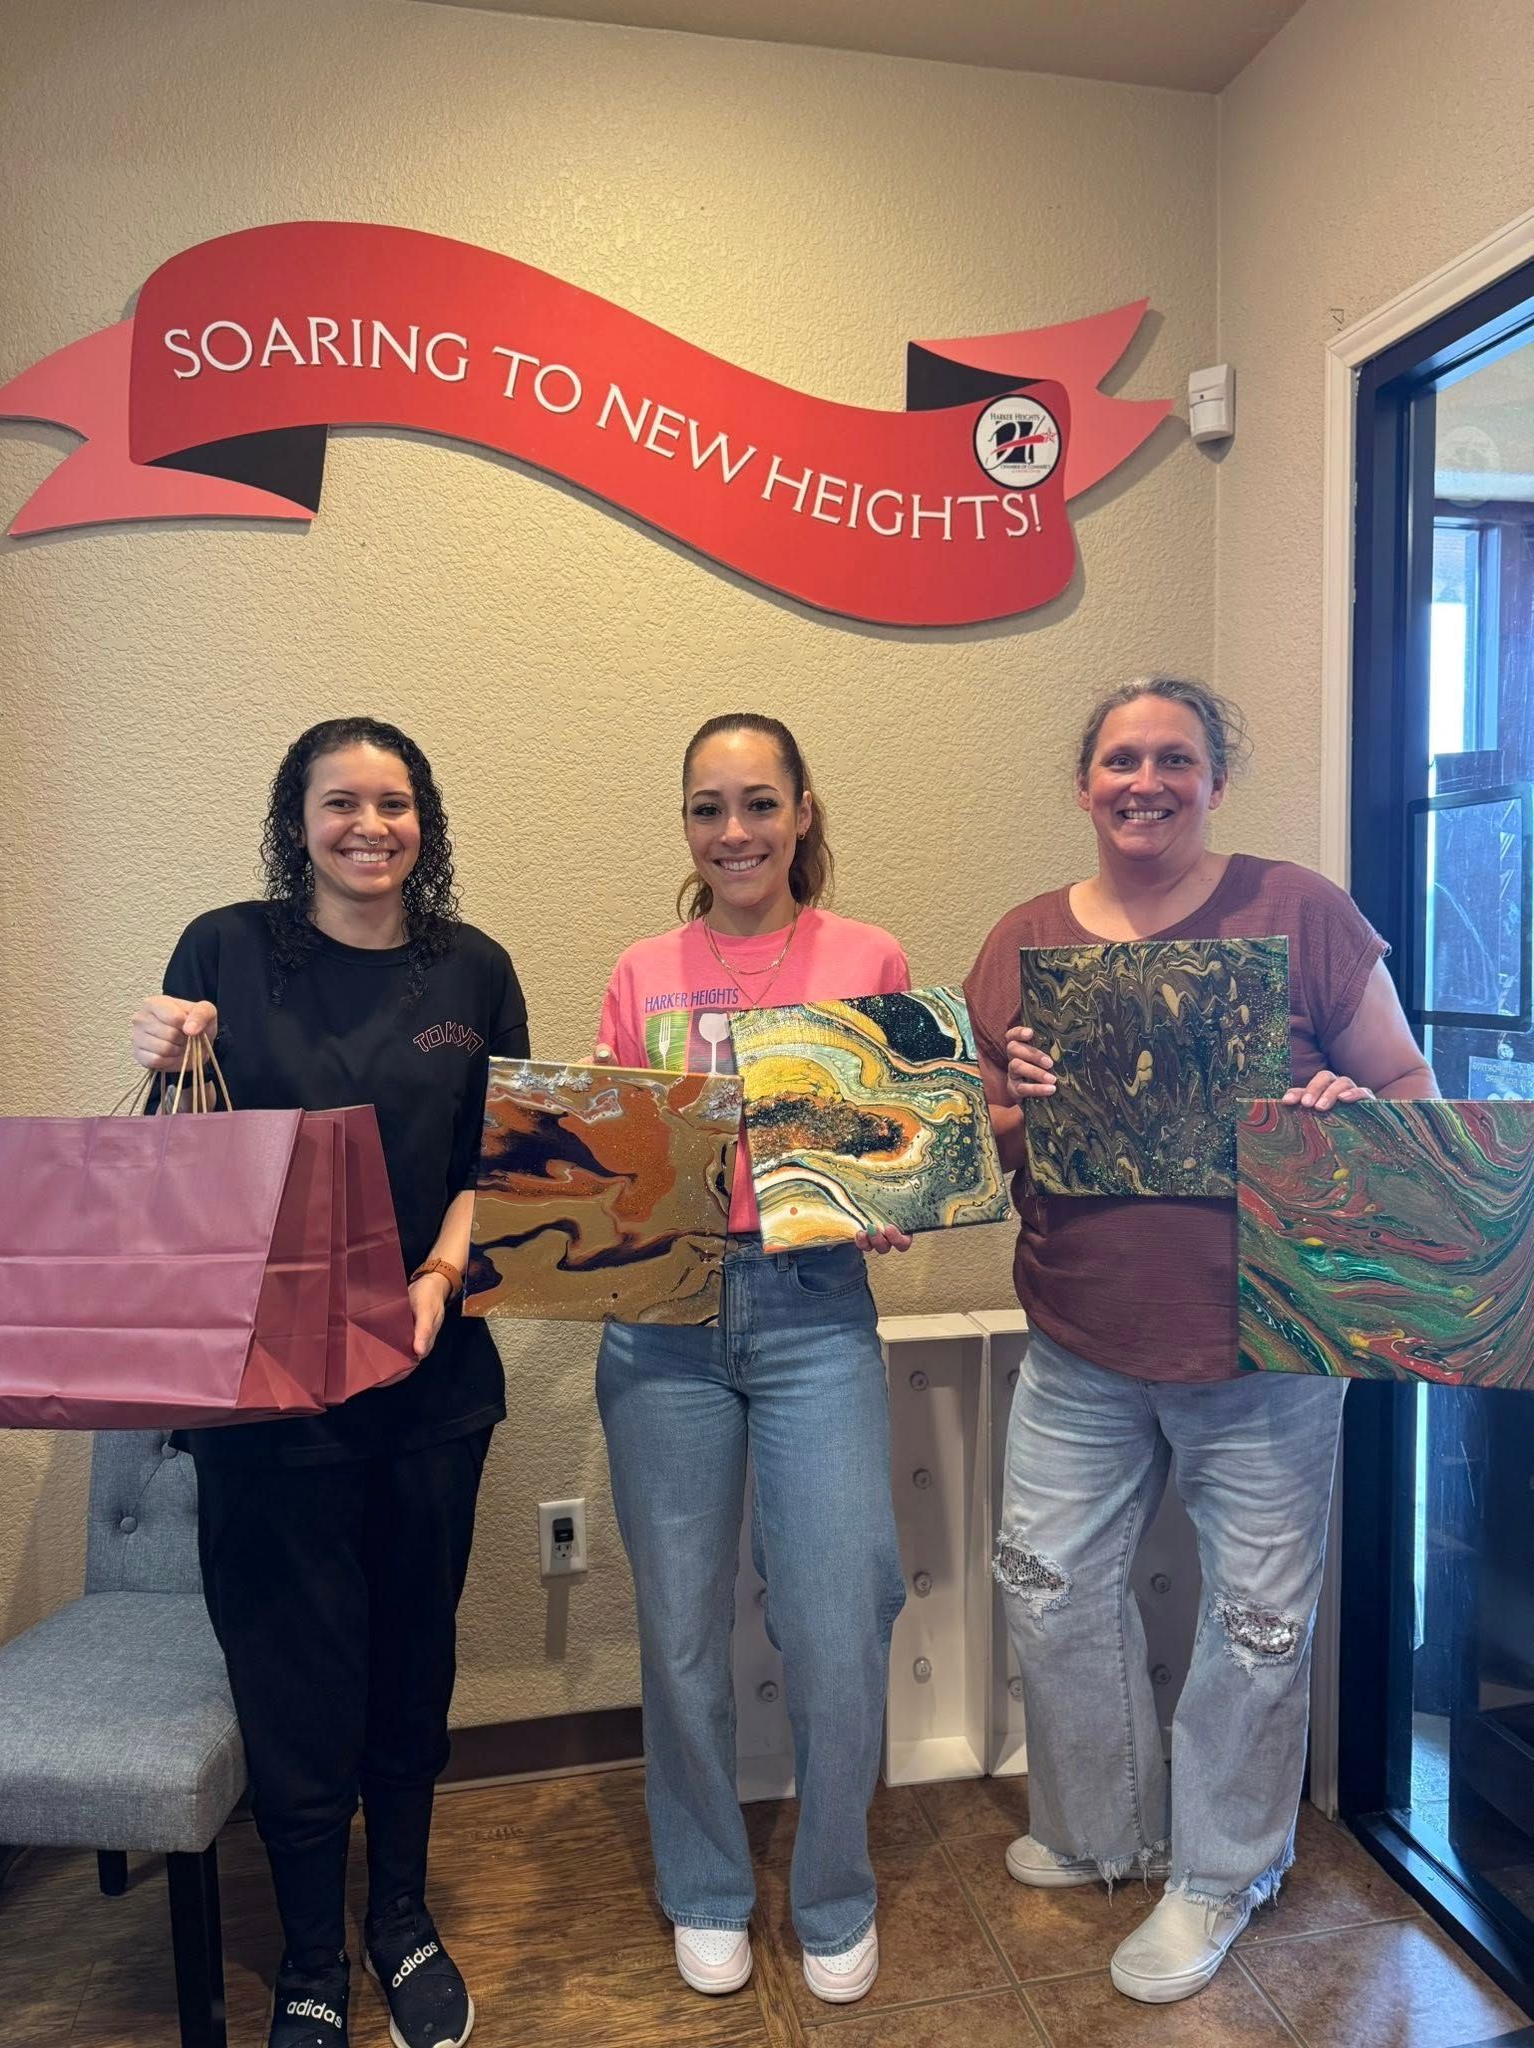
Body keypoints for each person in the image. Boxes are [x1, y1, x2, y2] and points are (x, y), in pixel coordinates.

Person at [963, 677, 1434, 2006]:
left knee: (1258, 1625)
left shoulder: (1303, 913)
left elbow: (1408, 1089)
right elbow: (971, 1142)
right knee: (1046, 1588)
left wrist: (1348, 1107)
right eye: (1121, 759)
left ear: (1215, 778)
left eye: (1175, 758)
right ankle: (1110, 1830)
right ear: (1084, 782)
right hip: (1077, 1333)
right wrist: (1024, 1109)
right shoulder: (1025, 940)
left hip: (1270, 1344)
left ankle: (1223, 1869)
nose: (1146, 781)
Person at [128, 717, 527, 2048]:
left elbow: (499, 1159)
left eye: (395, 803)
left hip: (428, 1382)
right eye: (340, 803)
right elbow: (180, 1161)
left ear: (427, 819)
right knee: (294, 1679)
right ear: (295, 821)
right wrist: (163, 1050)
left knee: (411, 1668)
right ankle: (310, 1955)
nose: (371, 827)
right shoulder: (225, 949)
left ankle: (398, 1920)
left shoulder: (475, 967)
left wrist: (436, 1281)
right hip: (262, 1389)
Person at [593, 713, 909, 2007]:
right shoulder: (640, 970)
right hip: (663, 1321)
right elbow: (614, 1151)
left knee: (840, 1617)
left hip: (814, 1309)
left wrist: (894, 1180)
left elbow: (894, 1133)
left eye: (759, 805)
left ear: (802, 812)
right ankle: (708, 1888)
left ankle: (834, 1892)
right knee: (678, 1631)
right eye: (709, 809)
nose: (735, 832)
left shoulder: (865, 953)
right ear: (686, 825)